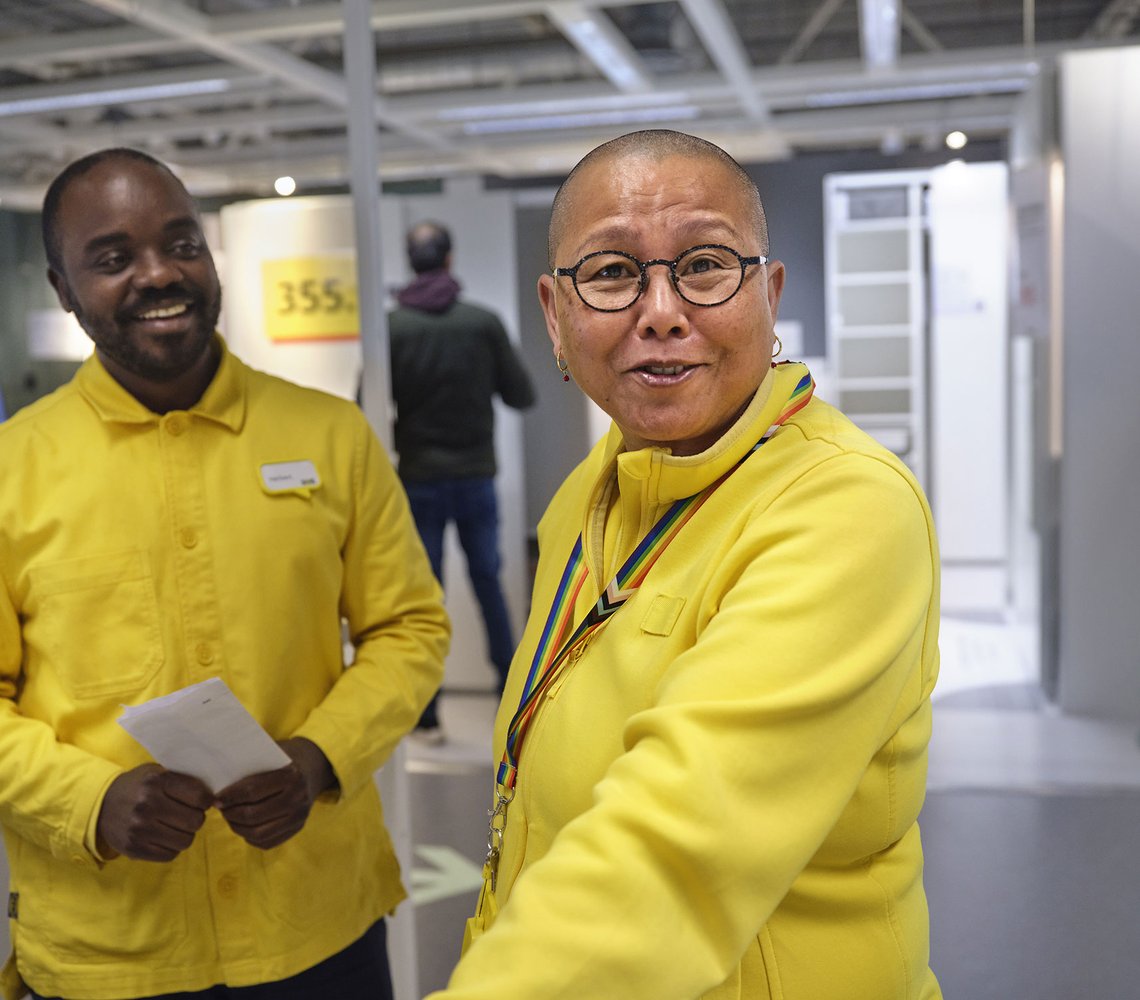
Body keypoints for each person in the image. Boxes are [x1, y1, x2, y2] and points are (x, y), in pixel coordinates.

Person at [427, 130, 943, 999]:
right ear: (555, 317)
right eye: (612, 273)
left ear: (769, 296)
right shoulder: (590, 496)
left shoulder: (848, 506)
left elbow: (675, 847)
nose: (661, 309)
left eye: (704, 264)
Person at [0, 148, 450, 1000]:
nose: (158, 274)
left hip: (315, 927)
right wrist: (88, 799)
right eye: (112, 258)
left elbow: (410, 628)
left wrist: (319, 758)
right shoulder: (11, 468)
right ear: (63, 290)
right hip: (112, 948)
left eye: (182, 244)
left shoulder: (329, 435)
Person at [387, 221, 535, 741]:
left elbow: (367, 404)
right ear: (449, 259)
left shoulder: (394, 328)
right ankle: (512, 705)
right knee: (490, 587)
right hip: (475, 477)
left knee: (425, 598)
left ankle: (426, 718)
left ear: (412, 261)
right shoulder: (481, 323)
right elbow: (522, 395)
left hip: (419, 478)